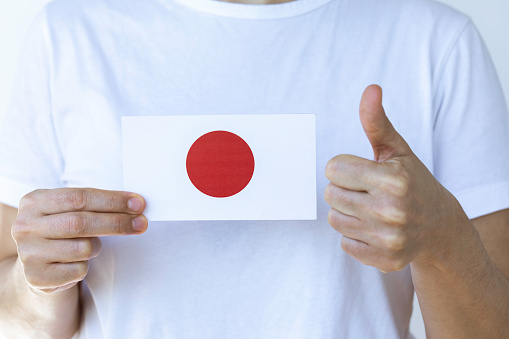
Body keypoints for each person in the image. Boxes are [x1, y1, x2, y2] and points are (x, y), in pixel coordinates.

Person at [0, 0, 508, 337]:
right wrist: (37, 279)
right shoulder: (68, 33)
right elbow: (17, 310)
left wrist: (443, 241)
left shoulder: (435, 41)